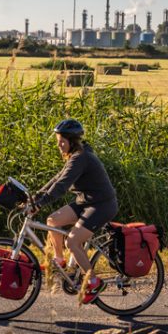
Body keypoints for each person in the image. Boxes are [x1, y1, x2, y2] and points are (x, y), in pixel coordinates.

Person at [32, 119, 118, 304]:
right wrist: (36, 197)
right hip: (86, 202)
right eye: (57, 141)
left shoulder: (80, 158)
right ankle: (59, 261)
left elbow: (62, 186)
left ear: (72, 141)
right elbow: (57, 178)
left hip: (101, 205)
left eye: (62, 141)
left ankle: (93, 282)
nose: (59, 145)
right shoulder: (75, 156)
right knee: (52, 220)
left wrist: (41, 202)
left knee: (72, 241)